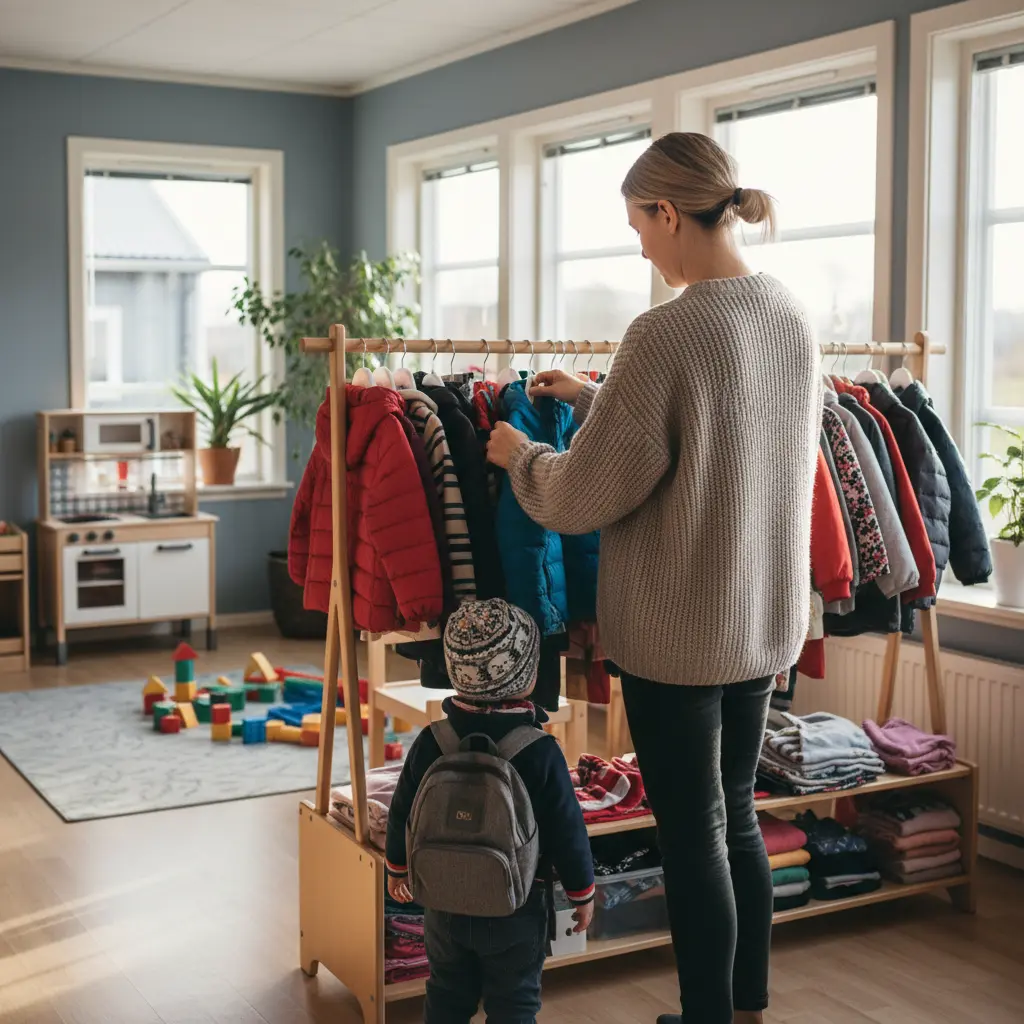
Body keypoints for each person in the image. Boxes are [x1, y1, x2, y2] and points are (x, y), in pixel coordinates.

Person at [486, 132, 821, 1024]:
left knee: (692, 834)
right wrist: (597, 401)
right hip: (760, 621)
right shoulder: (788, 313)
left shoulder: (663, 331)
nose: (638, 244)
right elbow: (714, 440)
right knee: (738, 816)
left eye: (638, 224)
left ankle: (706, 1018)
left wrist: (523, 454)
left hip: (680, 634)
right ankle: (744, 1009)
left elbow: (583, 495)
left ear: (669, 212)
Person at [385, 598, 595, 1024]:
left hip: (442, 901)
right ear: (527, 676)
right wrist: (581, 892)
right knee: (513, 1002)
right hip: (516, 905)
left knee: (446, 992)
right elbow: (566, 829)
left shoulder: (432, 739)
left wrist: (398, 868)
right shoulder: (539, 751)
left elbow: (402, 809)